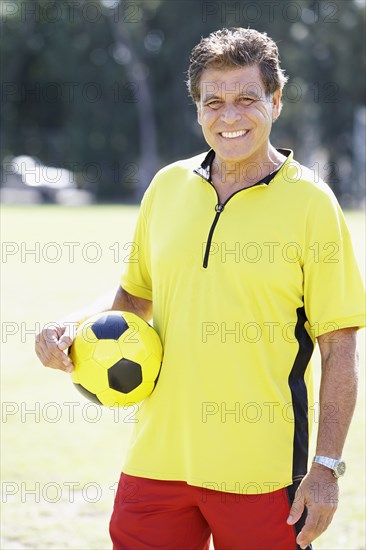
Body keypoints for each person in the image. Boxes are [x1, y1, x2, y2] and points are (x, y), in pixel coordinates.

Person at [35, 27, 365, 550]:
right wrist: (69, 326)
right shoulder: (167, 186)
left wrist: (325, 468)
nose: (229, 116)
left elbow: (340, 347)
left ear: (275, 102)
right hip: (156, 462)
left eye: (246, 99)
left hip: (261, 472)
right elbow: (131, 299)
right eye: (214, 101)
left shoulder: (313, 204)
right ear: (197, 110)